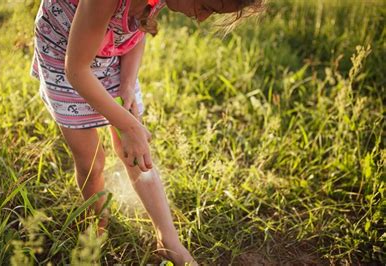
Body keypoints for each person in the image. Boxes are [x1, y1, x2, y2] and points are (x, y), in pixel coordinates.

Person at [30, 0, 263, 264]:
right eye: (206, 6)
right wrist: (129, 125)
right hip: (67, 57)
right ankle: (95, 227)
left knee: (137, 150)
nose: (201, 18)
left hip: (112, 53)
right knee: (91, 161)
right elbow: (77, 70)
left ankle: (168, 240)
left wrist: (127, 86)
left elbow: (136, 28)